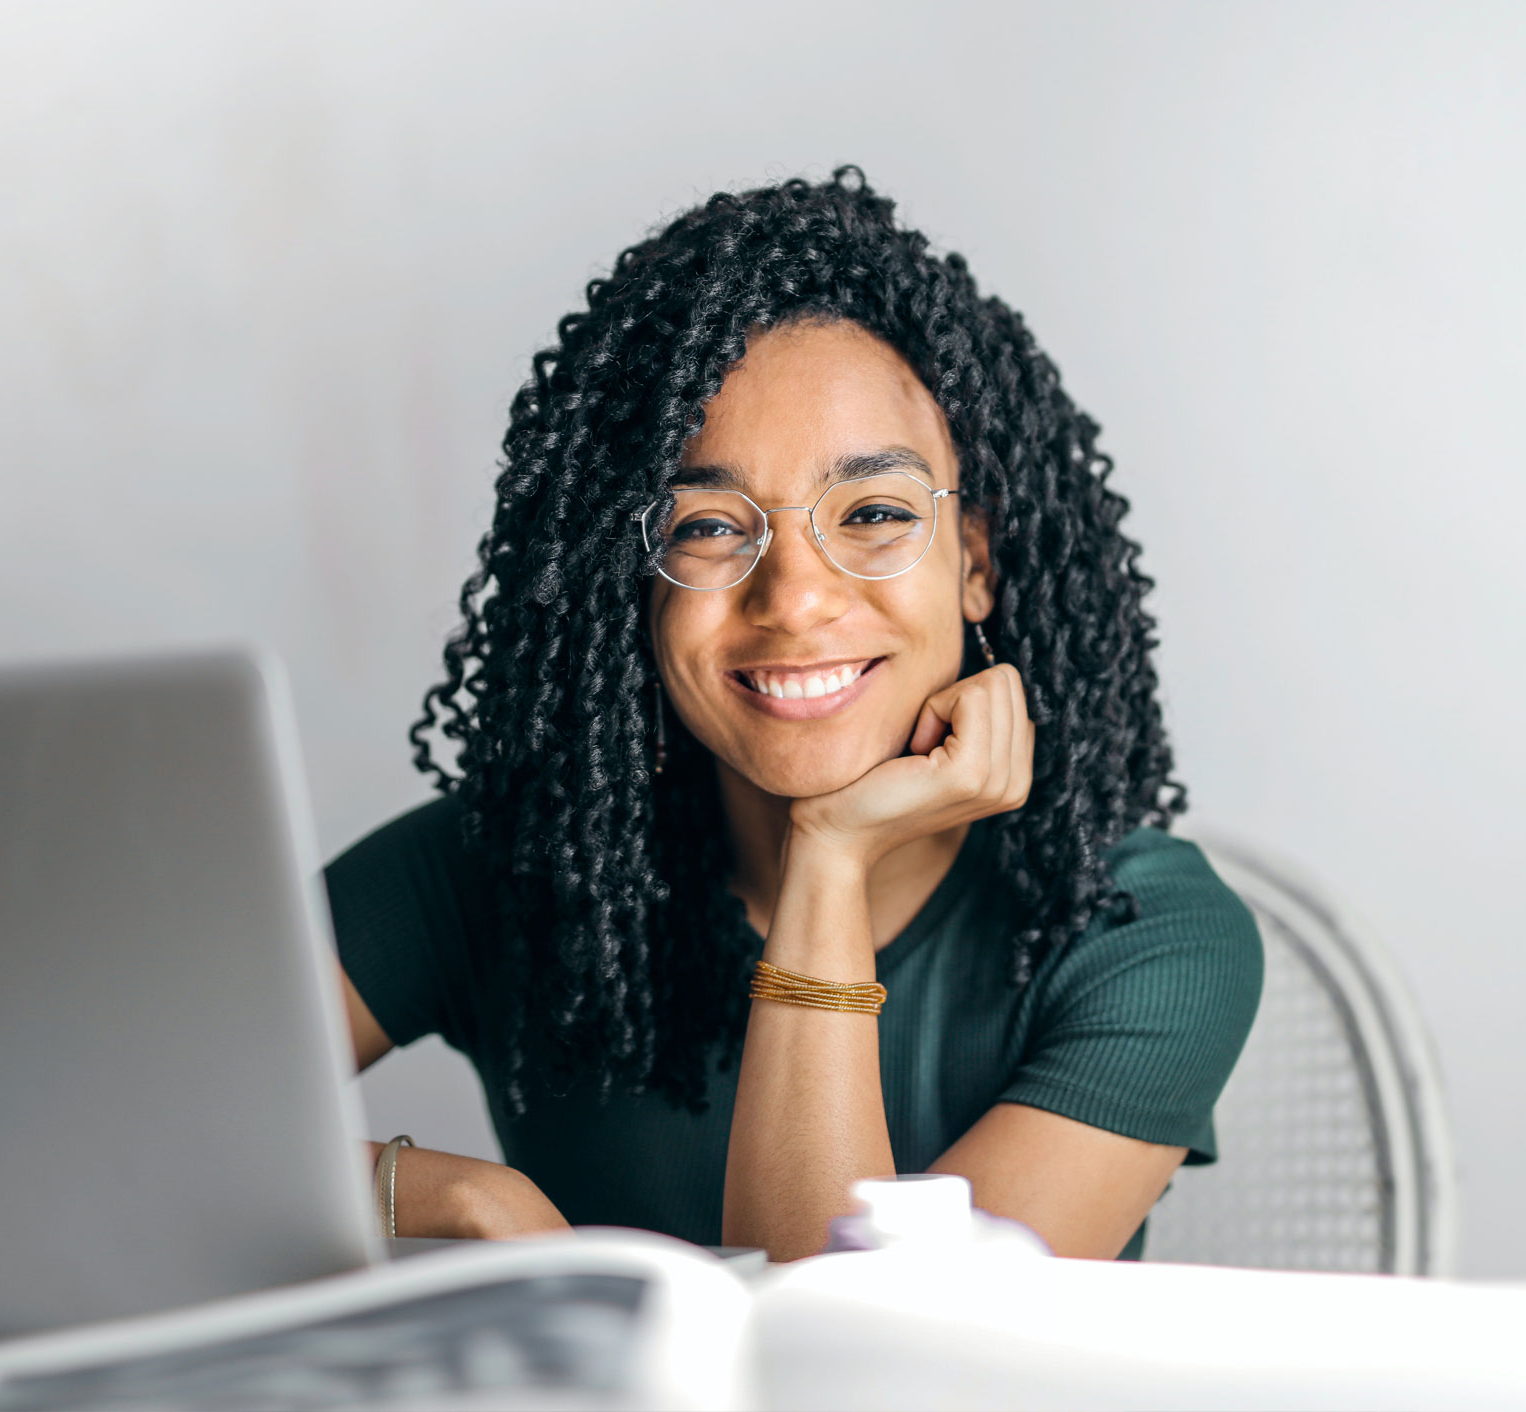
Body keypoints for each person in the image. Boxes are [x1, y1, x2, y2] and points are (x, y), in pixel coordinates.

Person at [327, 168, 1263, 1262]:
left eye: (870, 513)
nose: (795, 597)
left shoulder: (1137, 932)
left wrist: (829, 857)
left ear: (975, 562)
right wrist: (445, 1197)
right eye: (709, 527)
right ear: (630, 581)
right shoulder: (506, 864)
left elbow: (854, 1366)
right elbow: (104, 1123)